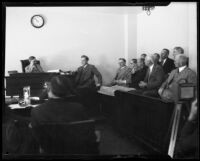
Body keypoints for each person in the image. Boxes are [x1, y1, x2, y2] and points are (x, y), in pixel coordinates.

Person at [30, 75, 99, 154]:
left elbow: (38, 138)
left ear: (49, 89)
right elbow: (87, 133)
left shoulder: (36, 111)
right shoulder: (79, 108)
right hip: (77, 150)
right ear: (67, 90)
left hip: (51, 151)